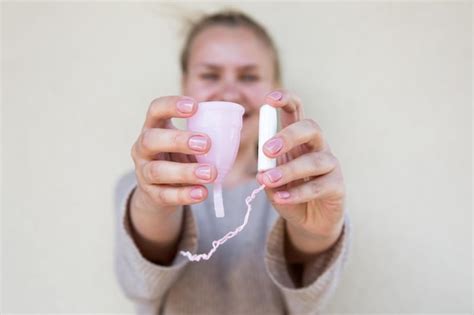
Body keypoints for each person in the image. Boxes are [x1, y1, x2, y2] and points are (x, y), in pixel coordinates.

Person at [115, 9, 350, 315]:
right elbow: (140, 286)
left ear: (274, 88)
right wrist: (153, 204)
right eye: (210, 74)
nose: (229, 91)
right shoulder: (142, 184)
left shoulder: (308, 185)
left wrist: (315, 234)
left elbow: (309, 299)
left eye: (249, 76)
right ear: (184, 84)